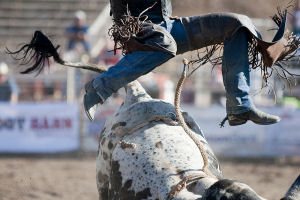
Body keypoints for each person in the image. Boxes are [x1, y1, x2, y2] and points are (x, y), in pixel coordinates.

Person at [83, 0, 292, 126]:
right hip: (137, 28)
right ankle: (98, 88)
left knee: (236, 24)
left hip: (168, 26)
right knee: (166, 44)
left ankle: (240, 106)